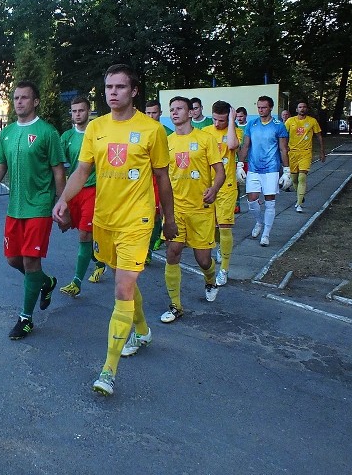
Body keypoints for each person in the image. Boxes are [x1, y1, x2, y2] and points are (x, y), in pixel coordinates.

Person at [53, 65, 176, 396]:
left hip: (137, 221)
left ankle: (108, 370)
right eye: (109, 86)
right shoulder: (96, 127)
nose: (113, 92)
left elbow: (163, 178)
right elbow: (82, 170)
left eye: (120, 87)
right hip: (105, 219)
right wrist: (63, 200)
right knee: (125, 277)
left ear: (133, 91)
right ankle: (142, 329)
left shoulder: (152, 130)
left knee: (122, 288)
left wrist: (170, 217)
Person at [0, 81, 65, 340]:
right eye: (16, 98)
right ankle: (45, 282)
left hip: (39, 206)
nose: (19, 102)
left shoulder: (47, 132)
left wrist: (63, 204)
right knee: (13, 260)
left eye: (24, 98)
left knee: (30, 261)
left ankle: (25, 319)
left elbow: (58, 172)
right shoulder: (7, 133)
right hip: (14, 208)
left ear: (35, 101)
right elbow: (0, 167)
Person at [160, 97, 225, 324]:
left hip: (201, 209)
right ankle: (175, 305)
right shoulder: (166, 142)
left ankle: (210, 279)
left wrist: (214, 188)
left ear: (190, 113)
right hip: (175, 208)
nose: (175, 112)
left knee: (203, 259)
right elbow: (161, 177)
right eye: (172, 109)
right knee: (173, 252)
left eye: (179, 109)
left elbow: (220, 172)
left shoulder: (205, 139)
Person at [57, 96, 98, 296]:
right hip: (73, 191)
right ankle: (99, 261)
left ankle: (76, 282)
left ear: (88, 111)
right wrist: (61, 196)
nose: (77, 114)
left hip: (93, 189)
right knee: (69, 228)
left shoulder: (97, 134)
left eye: (81, 110)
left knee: (84, 234)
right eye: (73, 111)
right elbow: (60, 169)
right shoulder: (66, 137)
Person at [238, 95, 291, 247]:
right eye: (259, 107)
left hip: (271, 169)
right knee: (251, 200)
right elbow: (246, 146)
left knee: (270, 203)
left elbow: (282, 149)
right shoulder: (252, 124)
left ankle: (266, 234)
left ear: (271, 108)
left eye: (264, 107)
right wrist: (240, 165)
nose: (261, 110)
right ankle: (259, 222)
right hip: (254, 168)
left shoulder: (278, 125)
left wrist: (286, 171)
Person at [202, 101, 242, 286]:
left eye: (222, 120)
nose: (218, 124)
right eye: (215, 119)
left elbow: (233, 145)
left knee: (225, 226)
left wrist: (232, 121)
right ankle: (219, 249)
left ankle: (224, 270)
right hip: (208, 186)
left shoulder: (234, 131)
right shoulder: (206, 132)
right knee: (212, 227)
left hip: (226, 187)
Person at [142, 99, 172, 261]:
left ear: (160, 113)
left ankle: (148, 250)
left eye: (154, 112)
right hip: (142, 178)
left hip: (158, 177)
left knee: (156, 214)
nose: (151, 116)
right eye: (148, 113)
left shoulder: (167, 133)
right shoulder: (139, 131)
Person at [285, 101, 326, 213]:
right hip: (292, 153)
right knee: (294, 179)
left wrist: (322, 151)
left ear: (306, 109)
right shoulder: (290, 121)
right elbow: (283, 135)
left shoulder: (312, 121)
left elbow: (319, 136)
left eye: (304, 107)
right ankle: (300, 195)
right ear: (296, 109)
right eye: (300, 107)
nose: (302, 109)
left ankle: (299, 204)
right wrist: (283, 149)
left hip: (306, 153)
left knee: (302, 177)